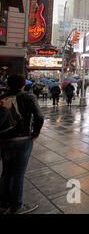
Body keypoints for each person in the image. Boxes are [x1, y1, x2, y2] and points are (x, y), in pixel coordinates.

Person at [0, 74, 44, 214]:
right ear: (24, 84)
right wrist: (35, 133)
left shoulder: (2, 97)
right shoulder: (29, 96)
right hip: (23, 139)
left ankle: (3, 205)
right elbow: (39, 116)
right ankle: (16, 206)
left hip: (5, 139)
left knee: (6, 172)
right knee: (18, 173)